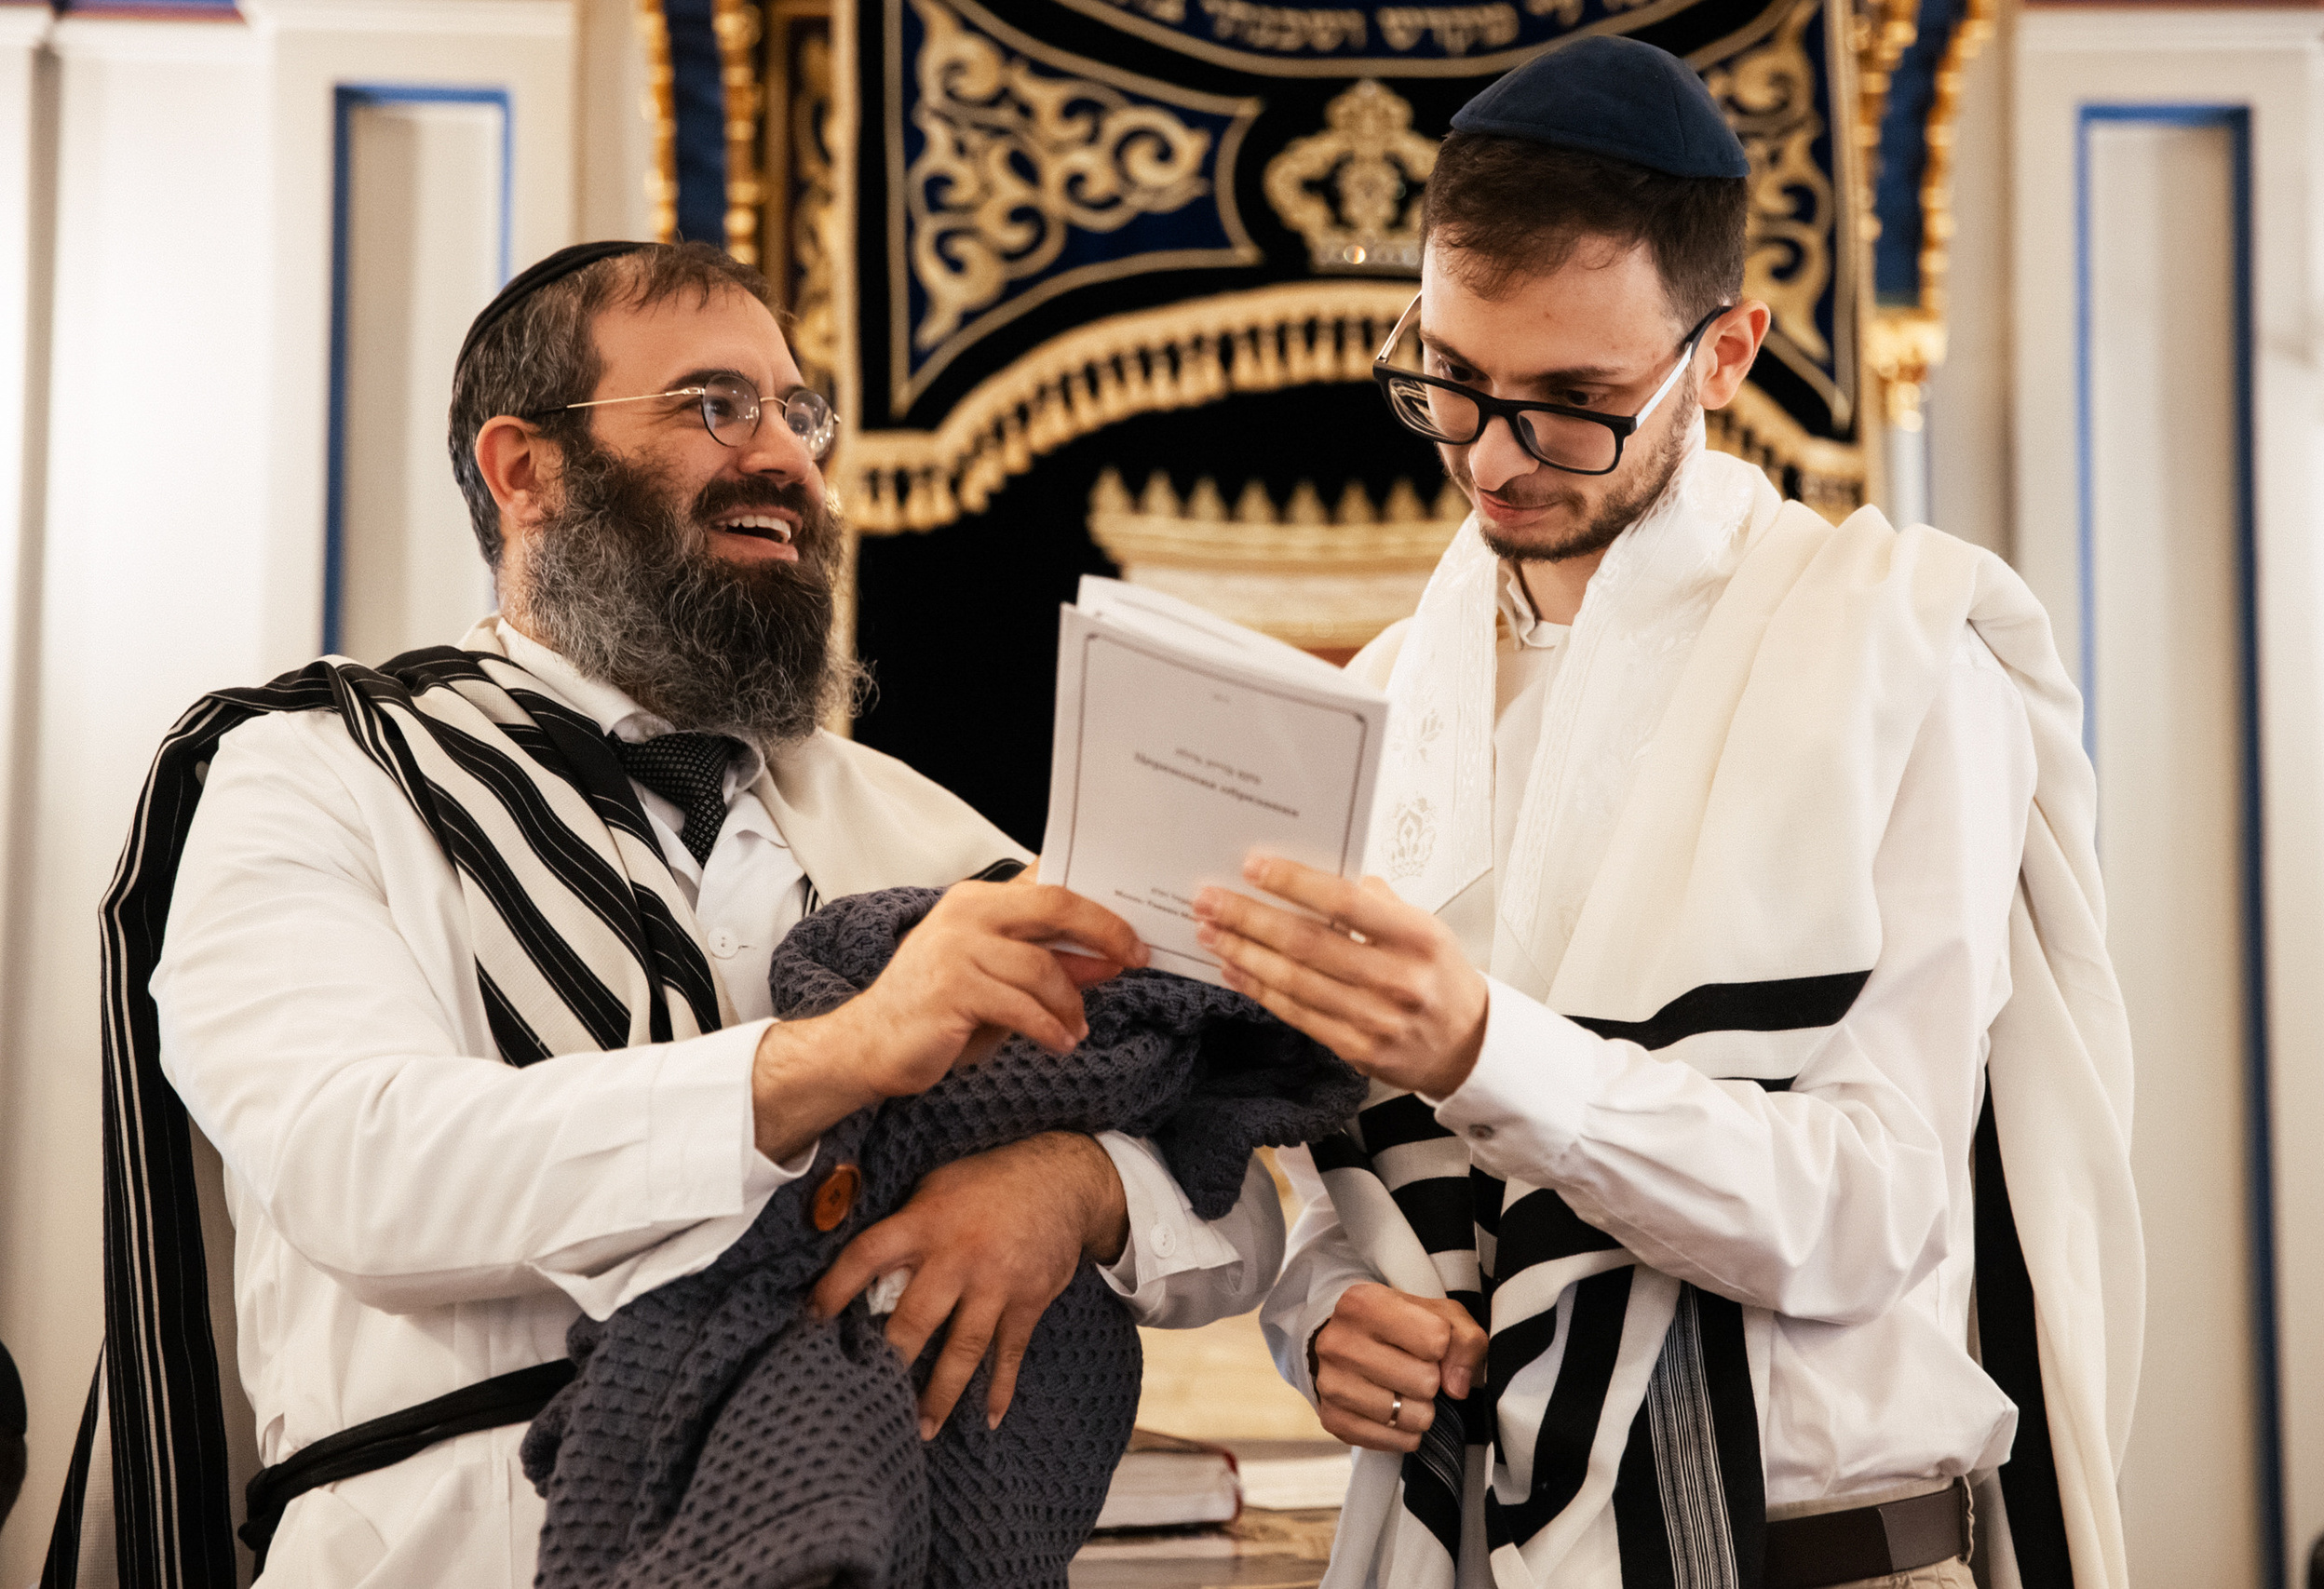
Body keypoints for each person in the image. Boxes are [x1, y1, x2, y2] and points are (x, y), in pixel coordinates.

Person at [44, 240, 1284, 1589]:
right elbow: (362, 1167)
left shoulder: (925, 830)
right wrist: (845, 1054)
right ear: (525, 470)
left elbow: (1239, 1190)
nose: (787, 460)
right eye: (713, 406)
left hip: (873, 1537)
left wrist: (1079, 1189)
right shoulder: (322, 769)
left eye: (798, 415)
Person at [1190, 36, 2143, 1589]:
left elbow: (1867, 1212)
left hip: (1823, 1555)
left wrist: (1487, 1049)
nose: (1492, 456)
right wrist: (1319, 1317)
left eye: (1576, 401)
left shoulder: (1896, 658)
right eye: (1448, 377)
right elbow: (1310, 1168)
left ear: (1726, 350)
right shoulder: (1371, 702)